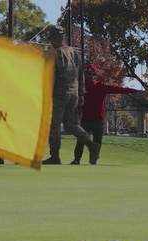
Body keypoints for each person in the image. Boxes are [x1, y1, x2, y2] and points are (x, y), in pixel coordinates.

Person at [45, 25, 100, 165]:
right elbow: (81, 75)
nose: (50, 42)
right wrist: (81, 93)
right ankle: (91, 145)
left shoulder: (56, 53)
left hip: (59, 94)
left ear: (56, 38)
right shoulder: (75, 53)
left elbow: (52, 76)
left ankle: (55, 156)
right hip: (74, 93)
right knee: (71, 125)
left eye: (51, 38)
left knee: (55, 125)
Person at [71, 63, 138, 165]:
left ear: (95, 75)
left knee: (97, 141)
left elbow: (117, 89)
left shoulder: (101, 86)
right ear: (85, 75)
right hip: (85, 119)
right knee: (81, 139)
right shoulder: (81, 87)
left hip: (98, 119)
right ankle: (76, 159)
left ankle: (94, 159)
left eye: (93, 74)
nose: (91, 76)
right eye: (89, 74)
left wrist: (132, 90)